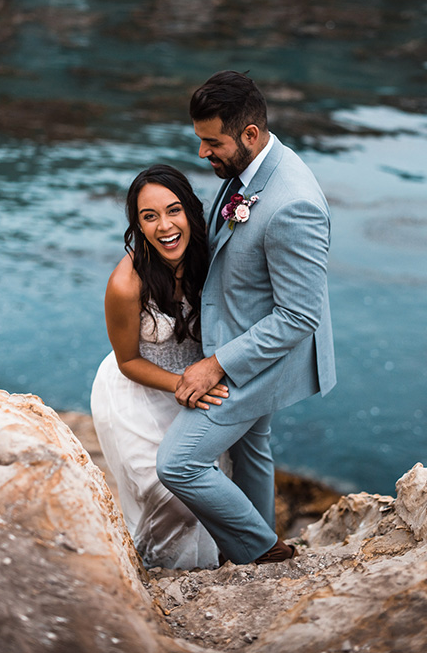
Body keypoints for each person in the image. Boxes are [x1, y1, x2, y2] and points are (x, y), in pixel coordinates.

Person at [157, 70, 336, 565]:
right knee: (251, 447)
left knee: (178, 463)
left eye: (211, 142)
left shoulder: (293, 203)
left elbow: (301, 315)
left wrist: (217, 364)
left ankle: (259, 550)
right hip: (236, 334)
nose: (201, 154)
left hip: (253, 359)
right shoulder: (251, 168)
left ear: (249, 135)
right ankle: (261, 557)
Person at [91, 164, 229, 570]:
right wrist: (186, 383)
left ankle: (206, 571)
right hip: (138, 390)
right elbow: (128, 360)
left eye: (173, 211)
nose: (164, 226)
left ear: (190, 211)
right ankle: (156, 571)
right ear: (137, 224)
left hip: (197, 386)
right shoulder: (125, 284)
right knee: (165, 493)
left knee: (206, 489)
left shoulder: (212, 260)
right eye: (149, 217)